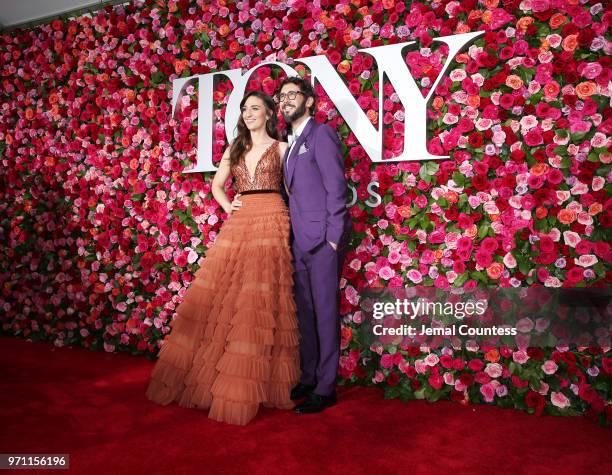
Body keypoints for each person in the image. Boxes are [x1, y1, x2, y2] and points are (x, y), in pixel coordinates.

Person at [145, 90, 300, 426]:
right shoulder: (236, 147)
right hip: (242, 219)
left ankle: (262, 383)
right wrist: (231, 206)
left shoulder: (283, 148)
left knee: (261, 298)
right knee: (228, 293)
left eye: (255, 108)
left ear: (270, 113)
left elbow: (293, 190)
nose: (248, 114)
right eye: (245, 109)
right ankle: (216, 379)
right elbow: (217, 186)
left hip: (274, 216)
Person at [277, 77, 351, 414]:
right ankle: (309, 377)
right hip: (300, 242)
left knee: (323, 315)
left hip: (322, 241)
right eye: (282, 96)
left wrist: (333, 239)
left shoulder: (321, 134)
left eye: (293, 94)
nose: (285, 100)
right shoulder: (290, 142)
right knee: (305, 315)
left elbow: (336, 189)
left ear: (309, 102)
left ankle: (325, 387)